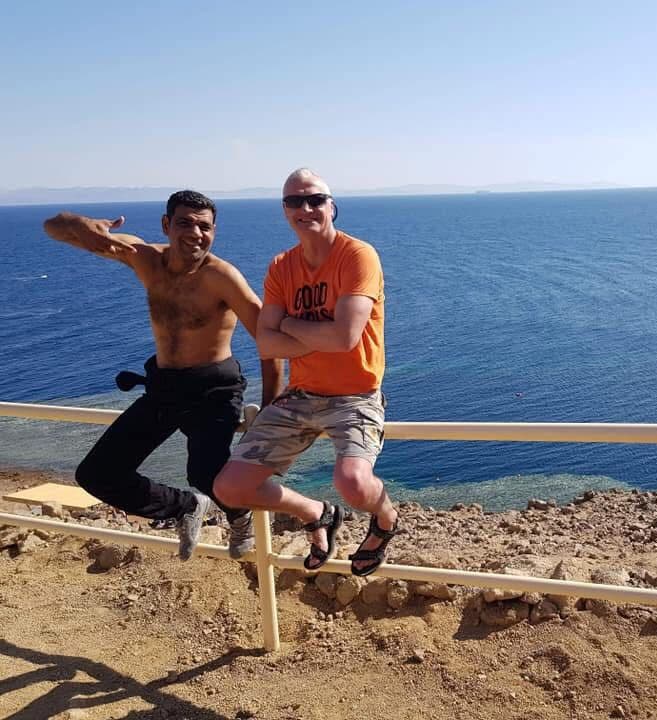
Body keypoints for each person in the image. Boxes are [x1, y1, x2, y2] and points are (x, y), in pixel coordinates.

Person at [42, 191, 282, 560]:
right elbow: (52, 227)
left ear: (214, 232)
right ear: (166, 225)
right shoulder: (144, 258)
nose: (196, 233)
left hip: (214, 389)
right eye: (185, 223)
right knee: (97, 474)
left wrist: (269, 411)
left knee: (206, 473)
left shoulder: (222, 277)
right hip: (165, 386)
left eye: (205, 227)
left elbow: (270, 342)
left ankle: (239, 515)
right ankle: (184, 506)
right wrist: (80, 224)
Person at [213, 168, 399, 576]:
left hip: (355, 394)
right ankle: (315, 513)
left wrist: (289, 325)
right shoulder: (282, 266)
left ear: (332, 207)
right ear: (285, 210)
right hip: (301, 395)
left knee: (353, 483)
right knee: (229, 488)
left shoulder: (357, 256)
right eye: (294, 201)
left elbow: (345, 338)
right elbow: (267, 345)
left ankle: (386, 518)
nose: (306, 208)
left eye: (315, 199)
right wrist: (320, 334)